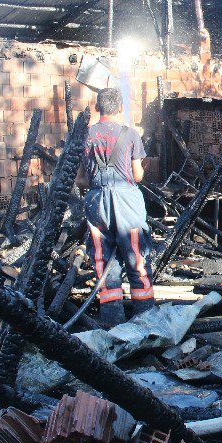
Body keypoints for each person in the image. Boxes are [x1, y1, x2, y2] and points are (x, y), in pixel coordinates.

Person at [75, 87, 155, 326]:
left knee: (102, 258)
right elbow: (138, 176)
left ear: (97, 108)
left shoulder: (84, 136)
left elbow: (80, 179)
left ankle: (112, 322)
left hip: (97, 202)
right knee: (136, 257)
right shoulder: (130, 134)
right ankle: (146, 319)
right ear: (120, 108)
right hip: (127, 203)